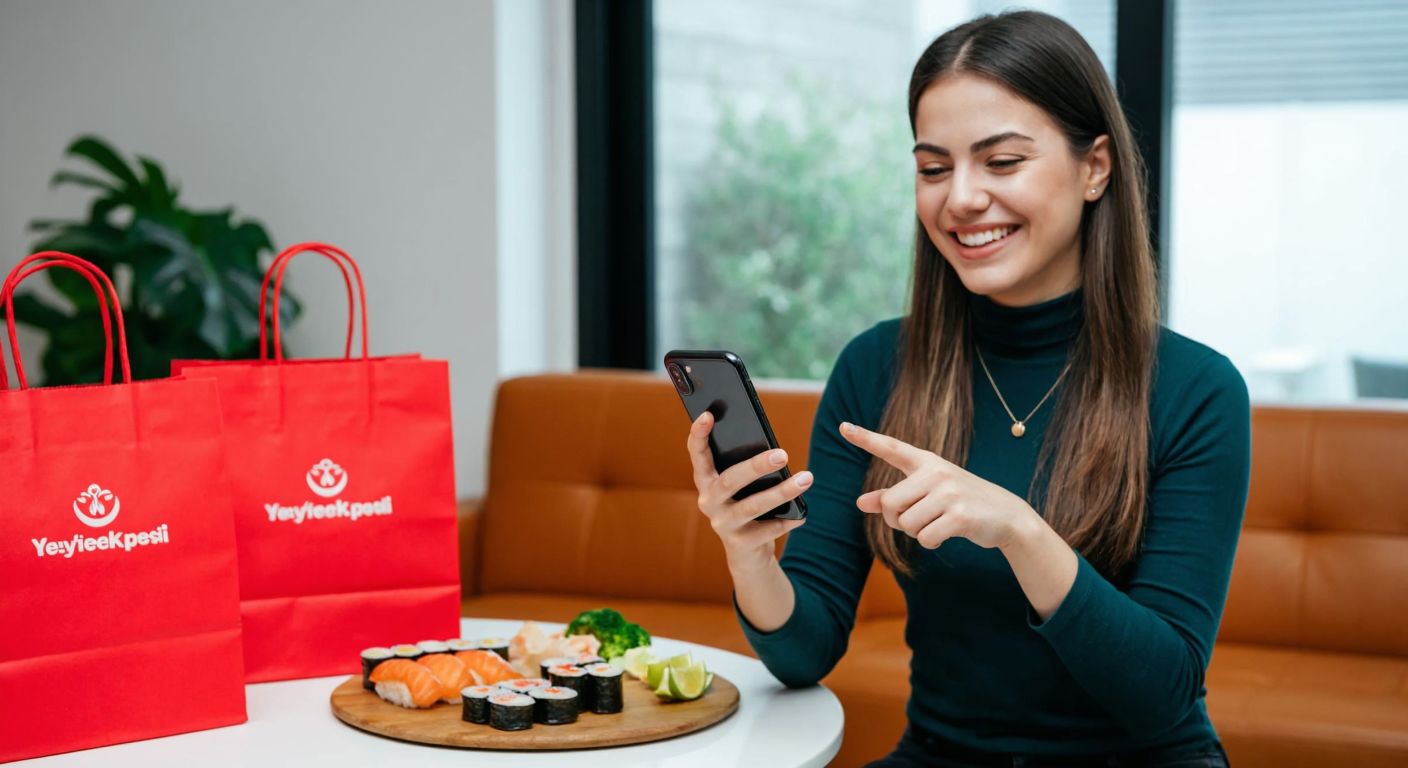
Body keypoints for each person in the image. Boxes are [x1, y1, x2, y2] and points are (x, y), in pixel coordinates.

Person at [684, 10, 1250, 768]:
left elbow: (1161, 692)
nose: (961, 199)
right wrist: (748, 554)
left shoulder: (1196, 390)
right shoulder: (877, 366)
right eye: (933, 168)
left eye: (1002, 162)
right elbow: (804, 652)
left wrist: (1019, 531)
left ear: (1096, 167)